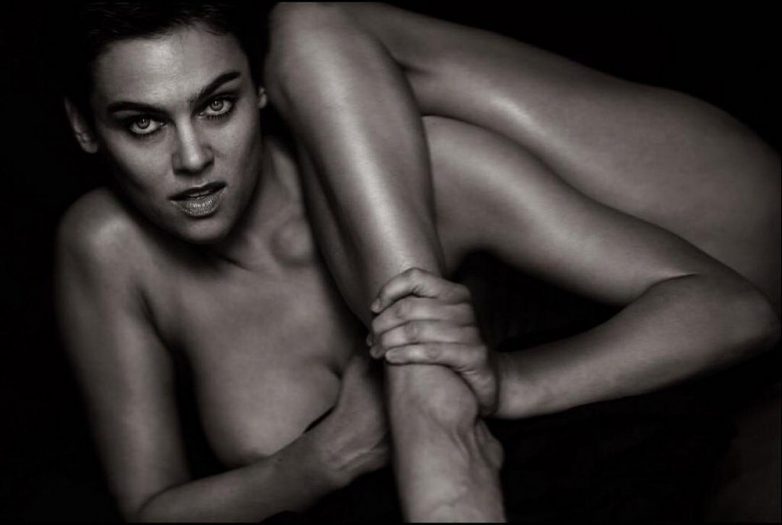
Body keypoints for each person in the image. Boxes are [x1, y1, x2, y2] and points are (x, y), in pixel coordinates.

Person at [53, 2, 779, 522]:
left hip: (726, 254)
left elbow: (735, 307)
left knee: (309, 23)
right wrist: (316, 462)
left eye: (218, 105)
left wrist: (505, 383)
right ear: (85, 129)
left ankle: (439, 426)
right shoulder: (109, 247)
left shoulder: (430, 169)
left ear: (261, 89)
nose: (191, 158)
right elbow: (150, 509)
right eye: (142, 123)